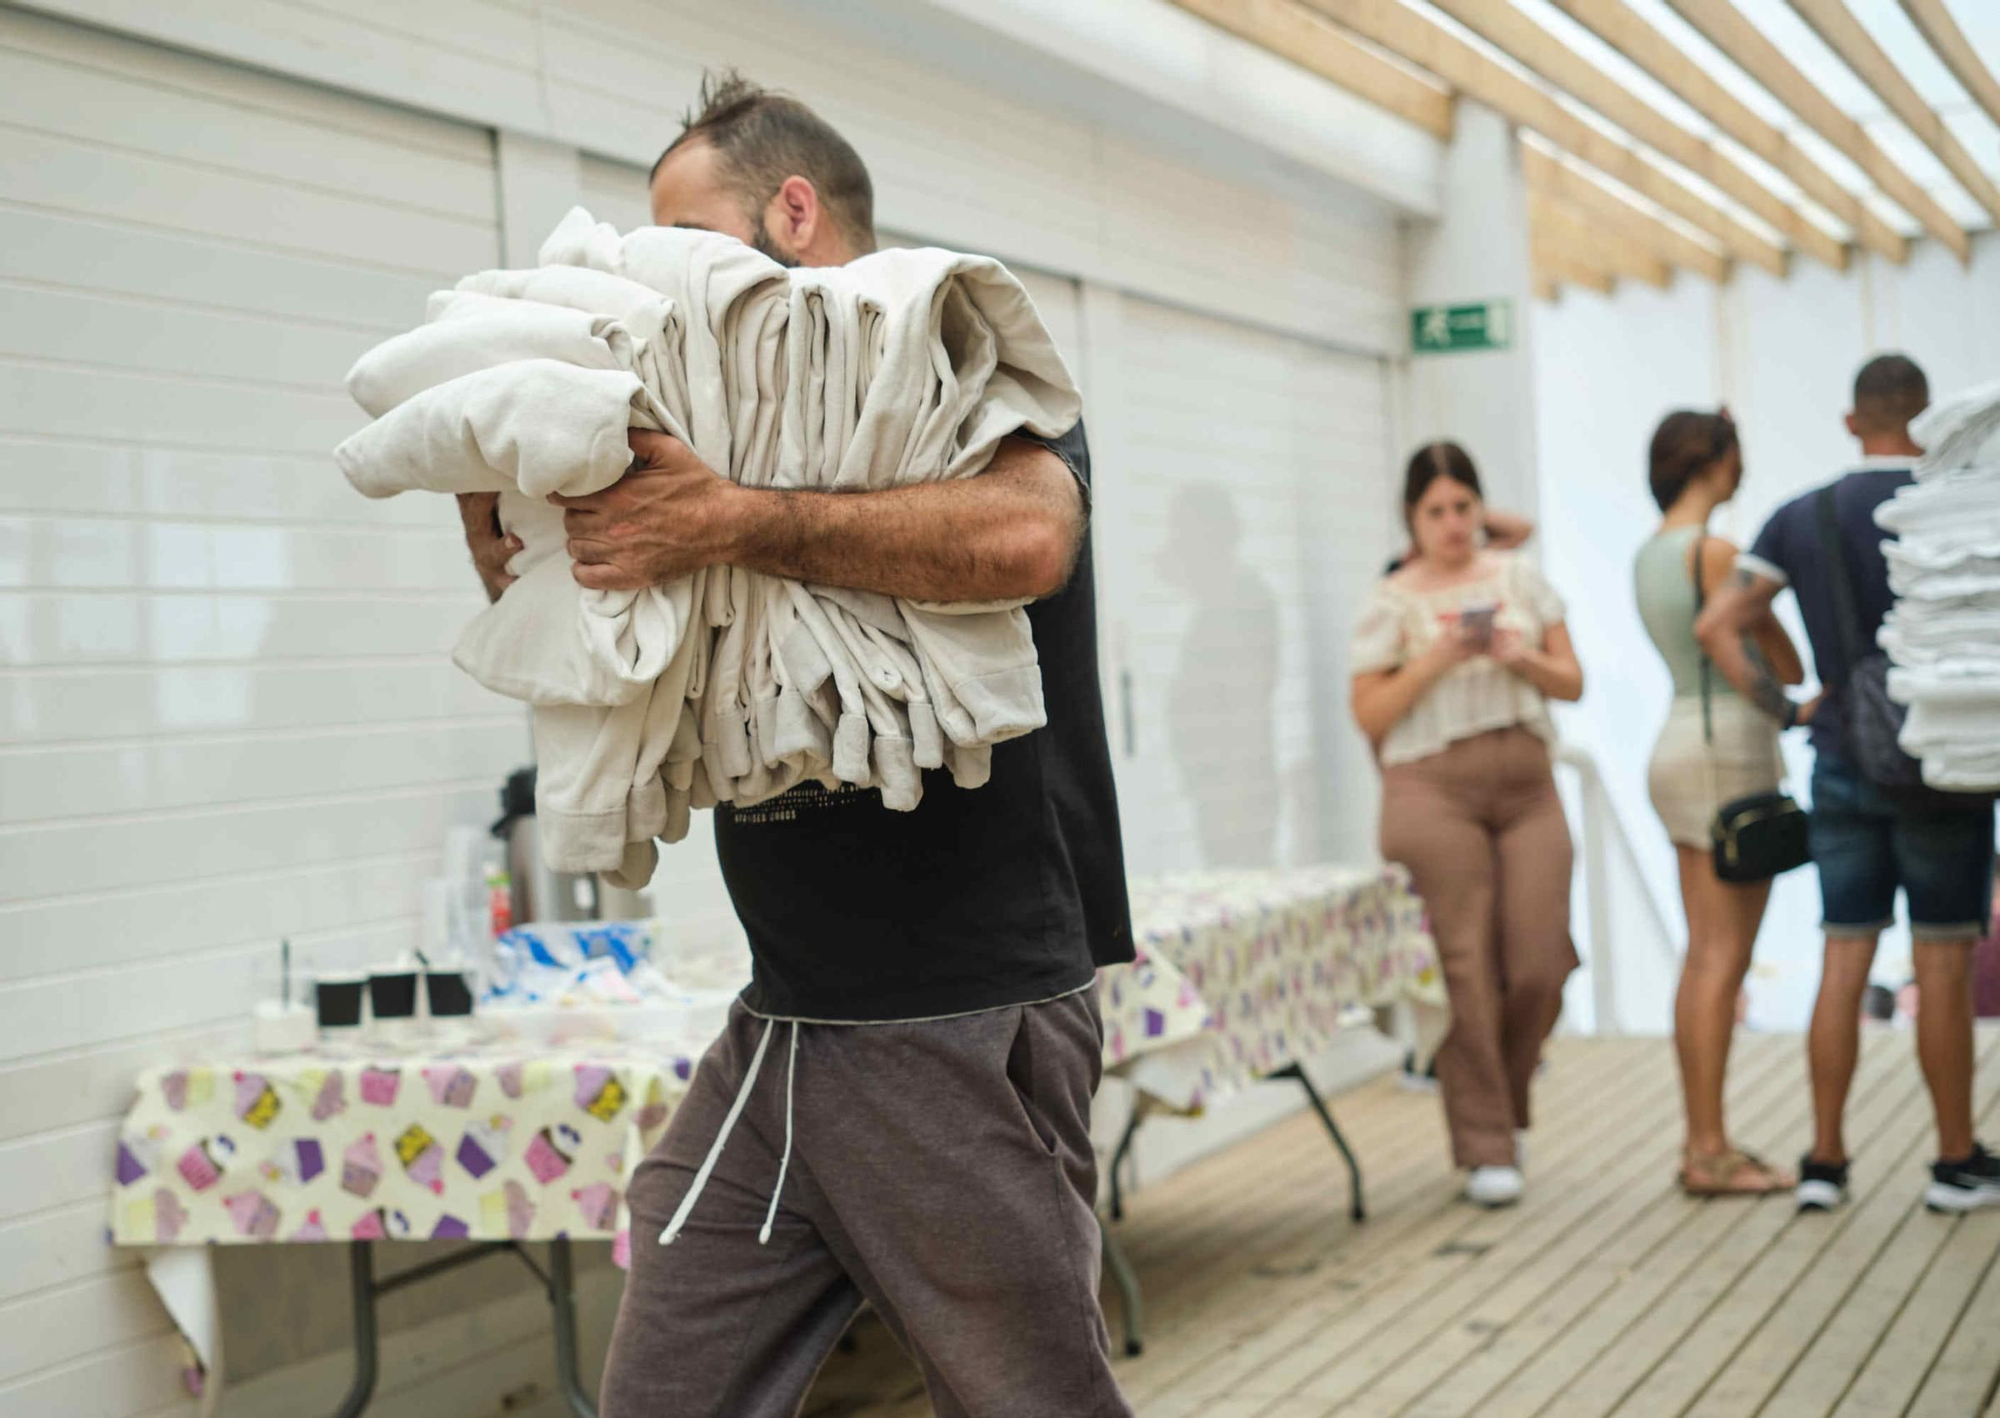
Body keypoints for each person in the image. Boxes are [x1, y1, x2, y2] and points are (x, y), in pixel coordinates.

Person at [459, 72, 1137, 1415]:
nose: (659, 286)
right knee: (669, 1382)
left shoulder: (949, 365)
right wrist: (525, 532)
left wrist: (737, 520)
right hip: (786, 1016)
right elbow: (622, 625)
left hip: (950, 1001)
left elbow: (1027, 537)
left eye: (685, 243)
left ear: (794, 211)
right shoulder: (714, 430)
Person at [1698, 353, 2000, 1214]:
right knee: (1942, 964)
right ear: (1928, 415)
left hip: (1842, 758)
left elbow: (1724, 622)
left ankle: (1825, 1162)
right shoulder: (1959, 504)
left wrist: (1788, 708)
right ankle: (1953, 1162)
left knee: (1844, 952)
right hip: (1945, 767)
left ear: (1851, 420)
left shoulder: (1804, 514)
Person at [1351, 442, 1583, 1207]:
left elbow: (1572, 682)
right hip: (1431, 788)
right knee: (1464, 968)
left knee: (1541, 959)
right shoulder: (1392, 597)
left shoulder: (1518, 577)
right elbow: (1371, 714)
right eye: (1435, 511)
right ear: (1410, 521)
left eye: (1463, 507)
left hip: (1526, 782)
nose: (1453, 524)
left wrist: (1517, 657)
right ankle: (1486, 1142)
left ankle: (1505, 1103)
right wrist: (1440, 656)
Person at [1635, 409, 1805, 1196]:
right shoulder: (1719, 554)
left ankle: (1703, 1139)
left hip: (1673, 740)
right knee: (1723, 959)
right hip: (1727, 749)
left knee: (1701, 954)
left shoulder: (1648, 555)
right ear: (1713, 462)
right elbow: (1783, 662)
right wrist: (1789, 708)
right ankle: (1708, 1149)